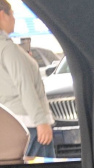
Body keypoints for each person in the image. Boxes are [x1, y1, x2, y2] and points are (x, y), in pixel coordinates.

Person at [0, 0, 55, 157]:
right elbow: (24, 86)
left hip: (9, 122)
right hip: (29, 122)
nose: (14, 19)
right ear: (2, 15)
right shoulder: (8, 49)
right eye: (12, 15)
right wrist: (41, 121)